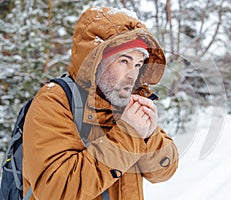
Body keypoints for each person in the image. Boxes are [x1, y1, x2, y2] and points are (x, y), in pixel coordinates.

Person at [23, 6, 178, 200]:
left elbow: (164, 170)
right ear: (96, 60)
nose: (132, 74)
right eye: (124, 61)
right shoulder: (54, 102)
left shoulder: (125, 101)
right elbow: (56, 191)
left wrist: (150, 134)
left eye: (138, 64)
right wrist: (127, 135)